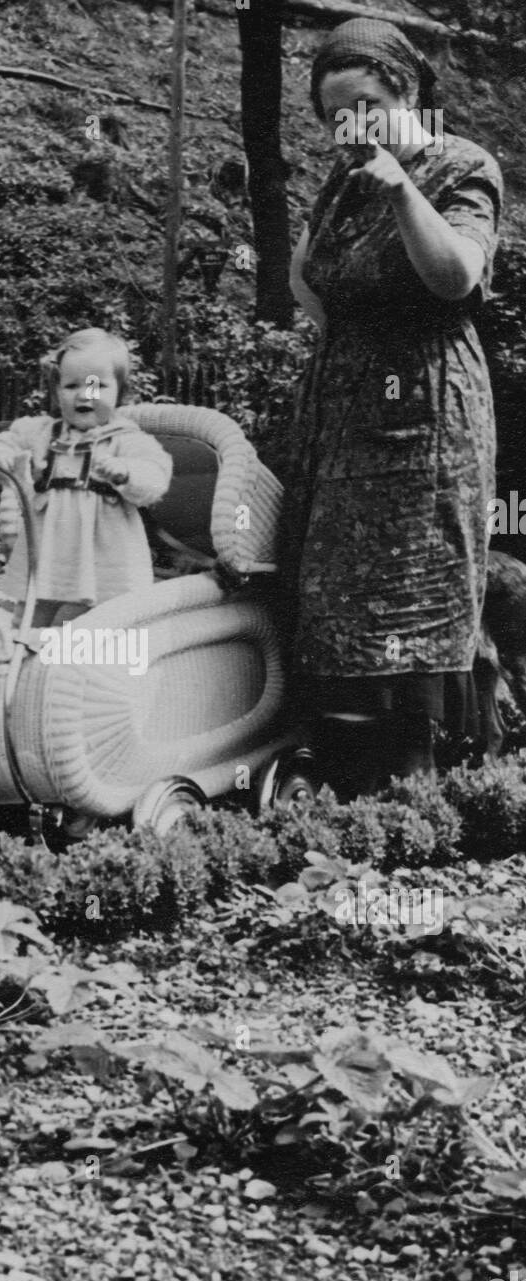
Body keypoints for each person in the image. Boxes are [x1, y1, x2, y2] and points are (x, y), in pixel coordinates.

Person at [280, 18, 503, 798]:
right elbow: (310, 288)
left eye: (366, 106)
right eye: (336, 115)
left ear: (406, 90)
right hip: (342, 412)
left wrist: (402, 190)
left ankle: (425, 776)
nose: (351, 128)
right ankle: (342, 772)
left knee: (417, 585)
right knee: (333, 590)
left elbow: (455, 279)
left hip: (425, 415)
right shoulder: (341, 180)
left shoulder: (459, 166)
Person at [0, 328, 172, 629]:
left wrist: (126, 471)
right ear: (57, 391)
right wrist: (1, 459)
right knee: (29, 619)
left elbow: (156, 475)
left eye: (97, 385)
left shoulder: (125, 439)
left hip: (103, 561)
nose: (85, 394)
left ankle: (77, 669)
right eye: (71, 385)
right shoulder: (42, 432)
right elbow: (7, 443)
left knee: (87, 624)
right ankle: (29, 666)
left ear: (119, 392)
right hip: (48, 555)